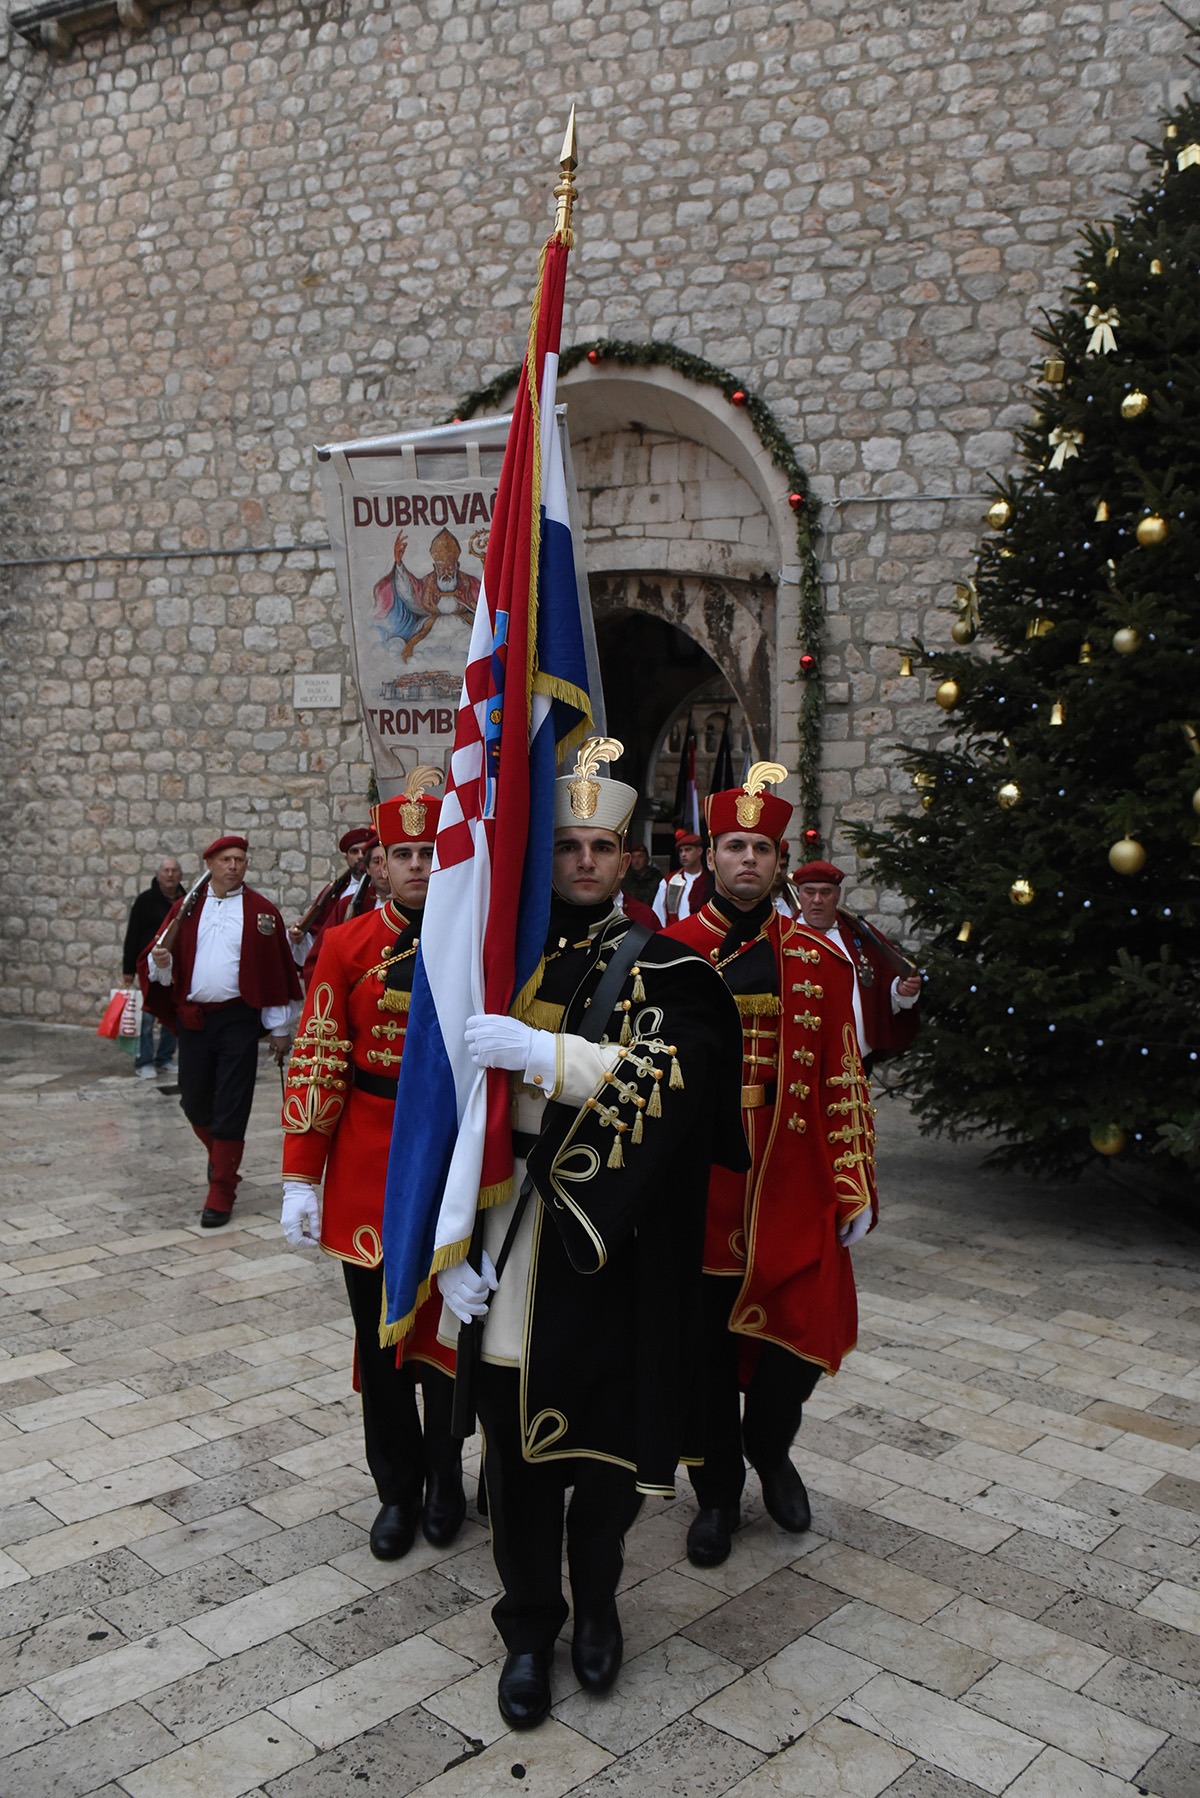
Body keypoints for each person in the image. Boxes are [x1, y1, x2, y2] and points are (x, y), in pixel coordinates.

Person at [439, 741, 746, 1730]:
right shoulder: (499, 959)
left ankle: (600, 1599)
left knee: (606, 1464)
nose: (580, 861)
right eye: (564, 844)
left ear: (631, 857)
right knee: (517, 1466)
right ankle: (530, 1626)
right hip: (511, 1244)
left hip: (611, 1252)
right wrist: (453, 1244)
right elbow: (446, 1112)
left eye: (598, 845)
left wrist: (546, 1054)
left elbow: (680, 1078)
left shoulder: (674, 968)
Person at [665, 768, 877, 1569]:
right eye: (733, 846)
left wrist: (854, 1183)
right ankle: (716, 1493)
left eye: (761, 847)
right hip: (700, 1181)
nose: (746, 859)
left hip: (789, 1176)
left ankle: (771, 1446)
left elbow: (841, 1078)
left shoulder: (819, 960)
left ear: (781, 861)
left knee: (798, 1337)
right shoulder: (667, 954)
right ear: (711, 857)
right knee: (704, 1354)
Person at [280, 775, 465, 1560]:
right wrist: (298, 1172)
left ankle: (449, 1476)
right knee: (380, 1340)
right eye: (404, 854)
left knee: (453, 1337)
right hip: (367, 1162)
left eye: (431, 852)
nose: (419, 866)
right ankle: (397, 1487)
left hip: (454, 1163)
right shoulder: (346, 946)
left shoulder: (479, 940)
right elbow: (318, 1057)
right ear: (380, 864)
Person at [139, 835, 301, 1228]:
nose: (234, 866)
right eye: (226, 859)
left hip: (238, 1021)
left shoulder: (262, 912)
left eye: (241, 860)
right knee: (194, 1102)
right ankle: (222, 1159)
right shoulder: (186, 908)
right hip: (195, 1019)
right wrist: (161, 960)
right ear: (209, 863)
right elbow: (161, 964)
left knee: (232, 1103)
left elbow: (276, 972)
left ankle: (222, 1188)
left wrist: (280, 1029)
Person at [792, 860, 923, 1067]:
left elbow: (884, 985)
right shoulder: (782, 939)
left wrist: (901, 989)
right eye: (809, 892)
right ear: (799, 895)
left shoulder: (861, 938)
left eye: (825, 892)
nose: (817, 900)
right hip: (798, 1062)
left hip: (855, 1063)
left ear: (838, 895)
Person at [122, 856, 184, 1078]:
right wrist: (128, 970)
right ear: (158, 875)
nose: (170, 875)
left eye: (174, 871)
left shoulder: (185, 902)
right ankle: (144, 1060)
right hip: (147, 967)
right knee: (147, 1016)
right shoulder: (145, 901)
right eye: (165, 871)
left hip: (175, 967)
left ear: (180, 875)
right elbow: (133, 936)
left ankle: (165, 1058)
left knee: (172, 1013)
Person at [301, 834, 385, 987]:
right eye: (376, 862)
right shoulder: (347, 904)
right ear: (367, 868)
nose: (383, 869)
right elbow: (320, 956)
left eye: (387, 861)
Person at [287, 826, 374, 954]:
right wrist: (299, 936)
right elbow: (317, 935)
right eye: (354, 851)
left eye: (364, 851)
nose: (360, 856)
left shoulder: (384, 890)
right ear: (347, 858)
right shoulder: (333, 892)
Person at [651, 828, 712, 925]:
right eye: (680, 851)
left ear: (699, 851)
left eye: (688, 850)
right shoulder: (668, 881)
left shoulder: (711, 880)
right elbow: (658, 916)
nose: (683, 854)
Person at [621, 839, 662, 910]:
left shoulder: (657, 878)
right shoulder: (625, 878)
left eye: (640, 856)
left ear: (648, 859)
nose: (636, 860)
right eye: (633, 857)